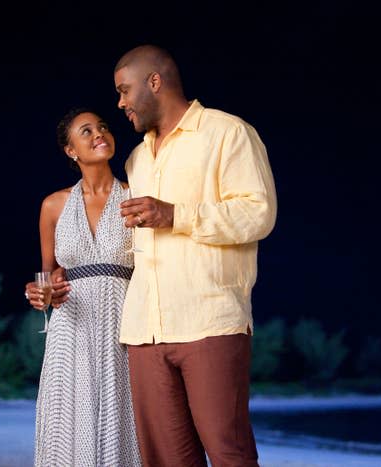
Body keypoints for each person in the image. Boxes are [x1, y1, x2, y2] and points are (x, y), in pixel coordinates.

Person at [114, 44, 277, 467]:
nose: (120, 103)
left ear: (155, 82)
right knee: (166, 460)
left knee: (230, 454)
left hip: (209, 321)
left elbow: (258, 213)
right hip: (144, 330)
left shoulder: (227, 133)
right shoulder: (136, 160)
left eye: (124, 90)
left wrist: (174, 214)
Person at [23, 108, 141, 466]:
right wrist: (41, 293)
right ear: (70, 150)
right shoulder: (53, 205)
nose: (98, 134)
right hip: (71, 329)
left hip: (124, 322)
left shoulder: (135, 196)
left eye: (102, 127)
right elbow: (49, 273)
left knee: (123, 417)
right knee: (68, 421)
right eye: (85, 131)